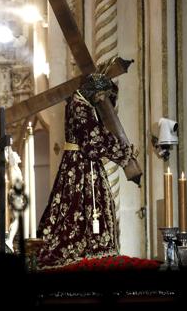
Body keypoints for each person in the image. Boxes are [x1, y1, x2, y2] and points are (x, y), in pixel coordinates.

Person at [36, 73, 133, 269]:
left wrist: (121, 150)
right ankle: (87, 247)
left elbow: (98, 134)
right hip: (80, 164)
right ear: (93, 91)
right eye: (100, 96)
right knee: (76, 205)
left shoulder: (80, 103)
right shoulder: (80, 106)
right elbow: (92, 143)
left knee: (85, 204)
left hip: (82, 162)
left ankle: (94, 246)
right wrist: (123, 152)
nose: (101, 101)